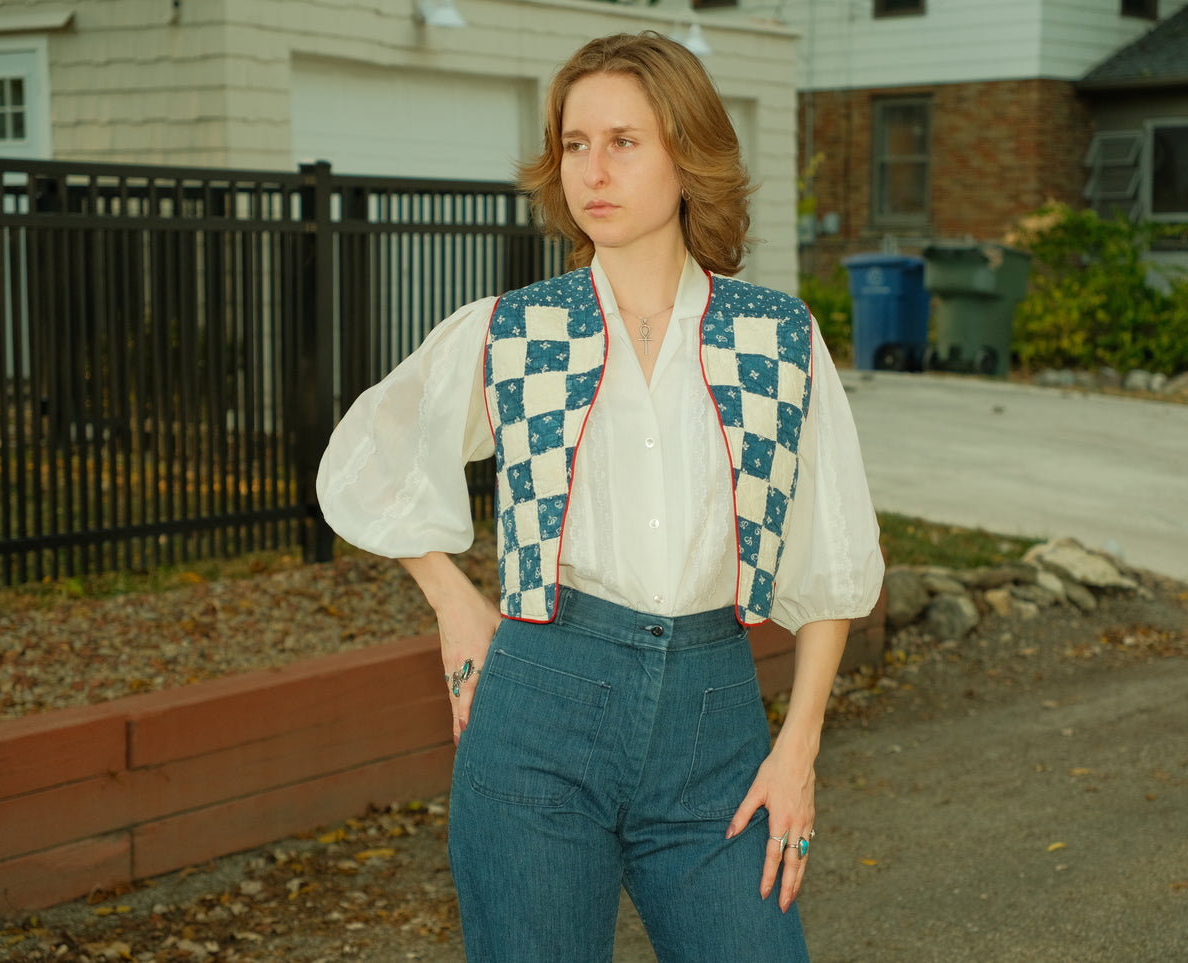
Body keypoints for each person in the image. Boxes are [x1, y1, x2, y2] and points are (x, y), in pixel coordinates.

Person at [316, 30, 883, 963]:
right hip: (537, 716)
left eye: (624, 141)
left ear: (687, 154)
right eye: (575, 144)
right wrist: (456, 602)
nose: (593, 170)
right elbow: (369, 454)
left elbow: (832, 554)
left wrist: (798, 749)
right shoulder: (517, 331)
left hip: (715, 732)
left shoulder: (776, 337)